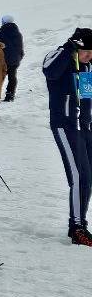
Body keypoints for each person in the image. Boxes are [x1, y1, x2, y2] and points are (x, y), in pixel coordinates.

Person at [43, 27, 92, 246]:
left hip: (84, 127)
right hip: (65, 126)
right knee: (78, 176)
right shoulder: (59, 56)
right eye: (87, 51)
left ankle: (81, 223)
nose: (90, 56)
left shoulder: (87, 66)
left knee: (88, 178)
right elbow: (49, 71)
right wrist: (69, 48)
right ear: (77, 46)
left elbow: (88, 97)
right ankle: (76, 228)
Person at [0, 15, 24, 102]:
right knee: (12, 77)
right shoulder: (18, 34)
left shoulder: (0, 33)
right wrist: (19, 57)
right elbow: (20, 48)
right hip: (15, 60)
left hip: (3, 60)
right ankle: (10, 95)